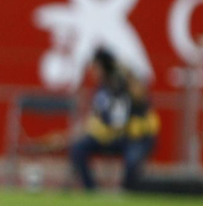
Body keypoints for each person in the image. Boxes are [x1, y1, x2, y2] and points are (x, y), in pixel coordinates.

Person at [68, 49, 160, 192]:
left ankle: (127, 192)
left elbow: (140, 95)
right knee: (78, 148)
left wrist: (127, 75)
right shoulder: (102, 89)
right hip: (111, 137)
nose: (93, 72)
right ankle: (91, 191)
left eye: (96, 67)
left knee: (132, 160)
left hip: (134, 137)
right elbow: (99, 118)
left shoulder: (126, 82)